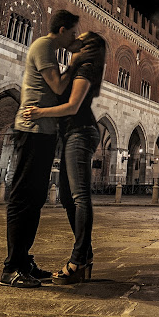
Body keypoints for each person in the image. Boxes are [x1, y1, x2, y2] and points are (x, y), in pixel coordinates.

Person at [0, 10, 83, 288]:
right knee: (23, 198)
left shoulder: (51, 48)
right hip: (32, 131)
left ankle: (24, 261)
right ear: (61, 30)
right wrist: (75, 60)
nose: (75, 37)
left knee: (35, 200)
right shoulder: (44, 46)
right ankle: (11, 268)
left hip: (44, 132)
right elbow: (58, 86)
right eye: (72, 33)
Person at [23, 31, 106, 285]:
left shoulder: (86, 69)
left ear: (88, 47)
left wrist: (39, 112)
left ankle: (79, 259)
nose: (74, 42)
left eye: (79, 40)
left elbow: (72, 107)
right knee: (68, 198)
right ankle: (85, 255)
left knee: (79, 197)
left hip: (81, 132)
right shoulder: (76, 66)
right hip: (73, 133)